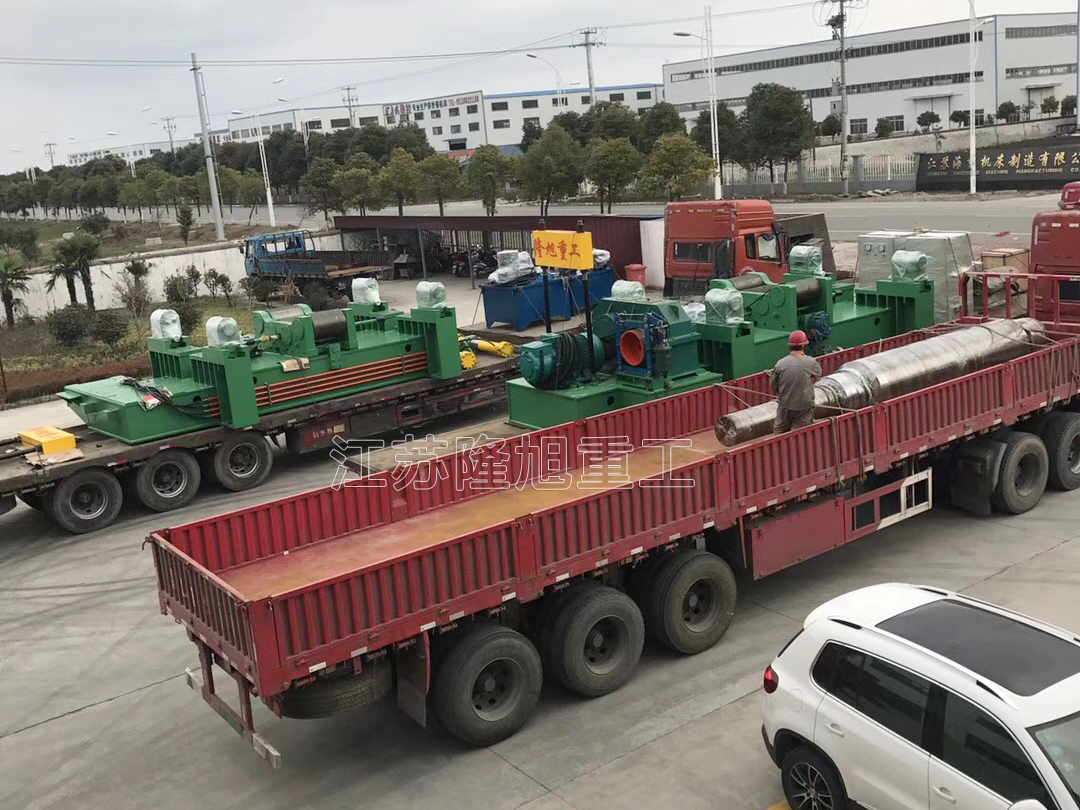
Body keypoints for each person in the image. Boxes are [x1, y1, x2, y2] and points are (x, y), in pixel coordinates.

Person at [771, 330, 822, 434]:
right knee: (798, 436)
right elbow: (818, 375)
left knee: (779, 434)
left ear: (790, 346)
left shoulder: (780, 363)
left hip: (785, 405)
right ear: (804, 346)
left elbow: (773, 385)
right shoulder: (810, 361)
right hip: (803, 408)